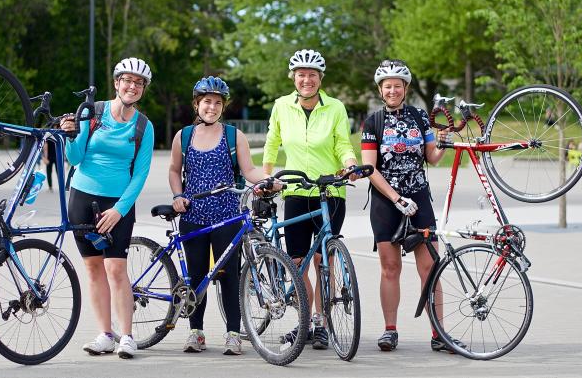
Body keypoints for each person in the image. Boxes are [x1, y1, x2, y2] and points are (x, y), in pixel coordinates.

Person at [169, 76, 279, 356]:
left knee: (228, 277)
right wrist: (177, 195)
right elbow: (173, 170)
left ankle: (233, 333)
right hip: (193, 216)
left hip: (227, 217)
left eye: (217, 102)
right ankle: (196, 332)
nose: (212, 107)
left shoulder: (233, 135)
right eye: (207, 101)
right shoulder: (183, 136)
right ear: (197, 104)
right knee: (196, 277)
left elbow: (249, 170)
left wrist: (267, 180)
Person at [360, 59, 463, 353]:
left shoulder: (420, 117)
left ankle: (438, 334)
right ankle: (390, 330)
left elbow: (432, 157)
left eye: (397, 85)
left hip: (419, 198)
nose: (392, 90)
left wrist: (444, 141)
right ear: (381, 90)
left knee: (431, 267)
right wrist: (395, 198)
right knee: (390, 268)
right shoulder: (373, 122)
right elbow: (369, 168)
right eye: (387, 86)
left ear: (405, 88)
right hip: (386, 201)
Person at [263, 49, 359, 350]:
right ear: (294, 77)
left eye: (312, 75)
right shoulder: (281, 106)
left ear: (320, 79)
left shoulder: (335, 107)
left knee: (324, 260)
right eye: (301, 75)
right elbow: (271, 143)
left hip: (329, 191)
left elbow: (343, 143)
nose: (307, 80)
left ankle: (320, 323)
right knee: (297, 262)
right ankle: (305, 320)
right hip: (294, 191)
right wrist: (265, 178)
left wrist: (351, 163)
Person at [60, 57, 155, 359]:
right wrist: (70, 134)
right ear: (116, 83)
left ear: (142, 89)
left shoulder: (144, 126)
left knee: (116, 268)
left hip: (118, 204)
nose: (132, 86)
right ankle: (105, 334)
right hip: (81, 197)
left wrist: (119, 210)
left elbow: (140, 174)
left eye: (138, 83)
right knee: (92, 267)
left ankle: (126, 335)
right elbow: (75, 158)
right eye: (126, 80)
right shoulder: (94, 113)